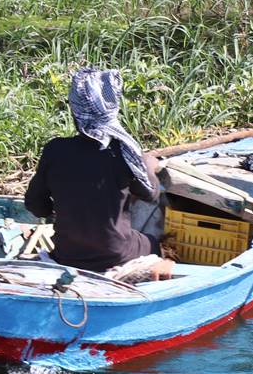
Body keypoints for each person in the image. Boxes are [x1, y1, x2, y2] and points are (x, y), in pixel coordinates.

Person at [24, 68, 164, 274]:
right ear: (113, 107)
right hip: (117, 253)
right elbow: (151, 194)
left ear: (75, 110)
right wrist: (148, 164)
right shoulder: (124, 152)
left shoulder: (55, 149)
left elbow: (36, 206)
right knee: (152, 242)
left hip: (66, 253)